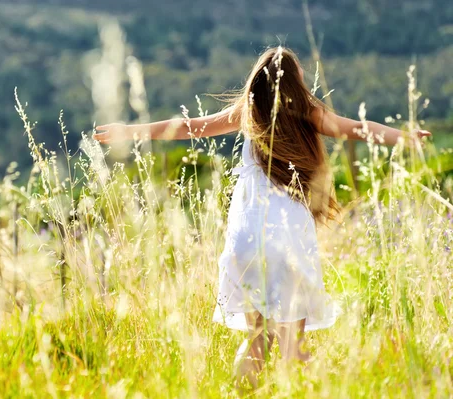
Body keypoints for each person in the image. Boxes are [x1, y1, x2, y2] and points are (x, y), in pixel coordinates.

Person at [93, 46, 431, 389]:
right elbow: (356, 129)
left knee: (257, 340)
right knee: (293, 347)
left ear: (258, 84)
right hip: (288, 241)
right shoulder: (307, 112)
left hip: (247, 240)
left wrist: (131, 131)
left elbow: (188, 127)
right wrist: (403, 137)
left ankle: (239, 395)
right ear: (296, 83)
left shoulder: (248, 110)